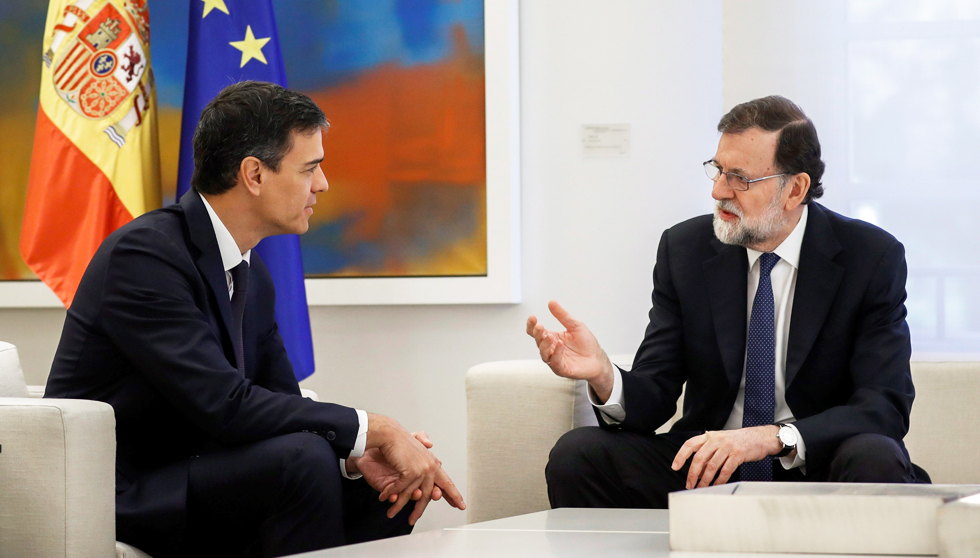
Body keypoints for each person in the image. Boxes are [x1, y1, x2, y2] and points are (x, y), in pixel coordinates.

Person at [45, 81, 464, 557]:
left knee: (382, 481)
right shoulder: (145, 256)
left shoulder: (250, 272)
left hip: (204, 471)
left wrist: (357, 456)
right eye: (310, 169)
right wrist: (377, 428)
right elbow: (227, 405)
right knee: (303, 459)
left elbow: (278, 402)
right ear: (254, 174)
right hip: (128, 491)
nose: (322, 185)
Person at [528, 95, 928, 510]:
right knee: (579, 455)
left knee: (875, 456)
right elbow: (657, 389)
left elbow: (884, 407)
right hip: (709, 466)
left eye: (740, 178)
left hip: (815, 462)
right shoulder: (685, 249)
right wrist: (604, 376)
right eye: (718, 171)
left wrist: (771, 437)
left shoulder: (869, 256)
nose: (719, 190)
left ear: (795, 188)